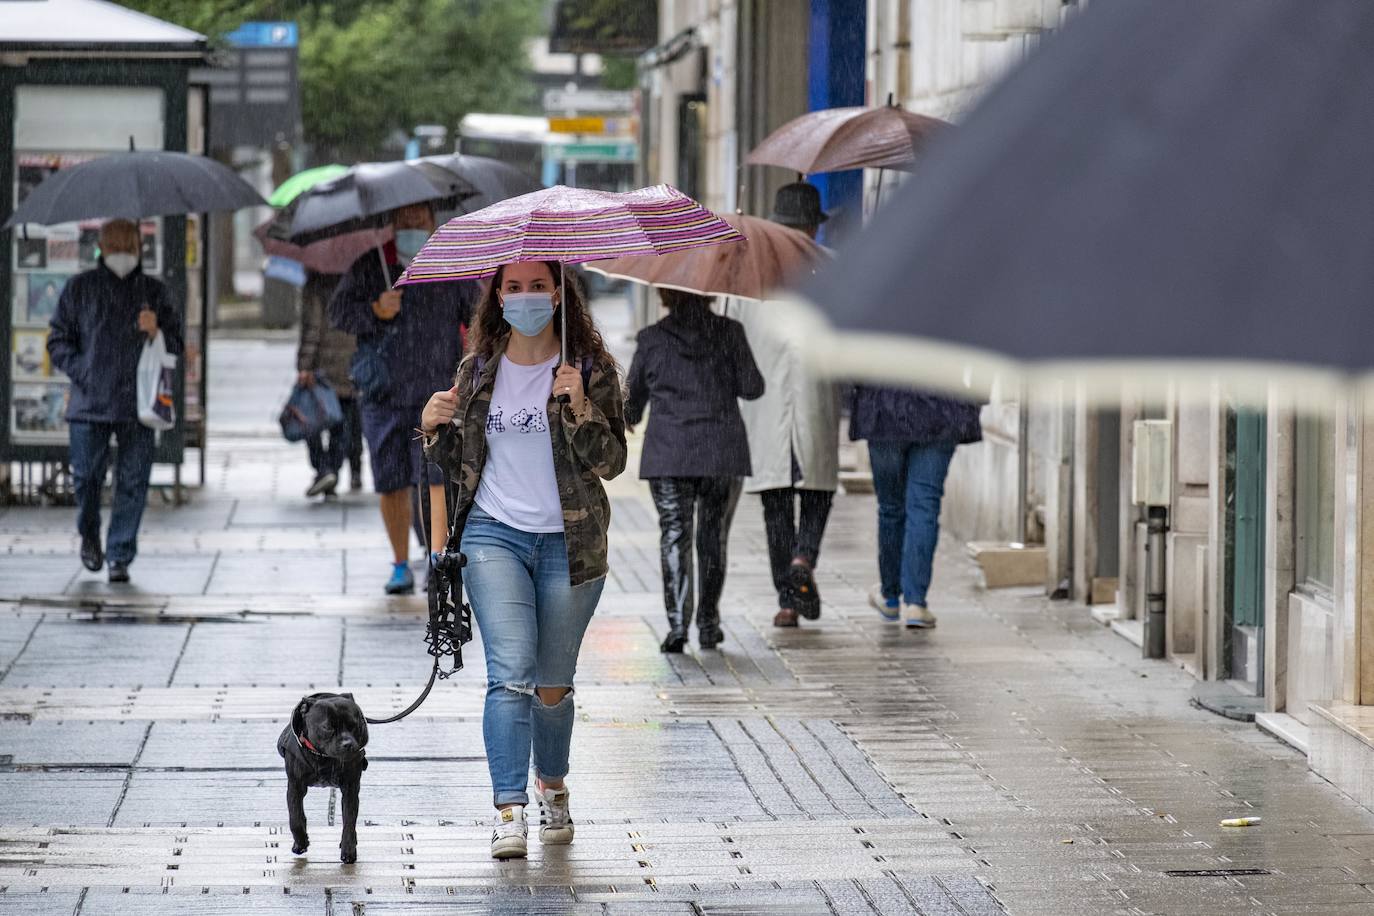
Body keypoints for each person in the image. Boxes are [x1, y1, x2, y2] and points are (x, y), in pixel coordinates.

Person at [420, 260, 625, 861]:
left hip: (572, 542)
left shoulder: (589, 370)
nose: (527, 297)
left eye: (539, 286)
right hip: (493, 535)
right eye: (515, 287)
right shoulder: (478, 370)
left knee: (552, 685)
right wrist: (433, 428)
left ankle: (552, 788)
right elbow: (457, 459)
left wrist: (581, 406)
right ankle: (508, 809)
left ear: (559, 295)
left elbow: (611, 462)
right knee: (509, 672)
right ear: (499, 297)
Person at [330, 203, 478, 594]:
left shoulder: (451, 264)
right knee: (391, 480)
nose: (413, 224)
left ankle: (436, 558)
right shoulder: (372, 265)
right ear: (391, 222)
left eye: (420, 216)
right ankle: (399, 564)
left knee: (435, 478)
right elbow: (339, 312)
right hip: (383, 394)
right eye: (404, 217)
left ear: (433, 219)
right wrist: (374, 310)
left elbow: (479, 318)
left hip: (437, 394)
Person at [625, 289, 764, 653]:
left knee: (674, 534)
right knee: (712, 536)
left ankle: (676, 624)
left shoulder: (652, 339)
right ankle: (708, 622)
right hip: (721, 451)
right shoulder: (729, 332)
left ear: (664, 293)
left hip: (670, 453)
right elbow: (753, 387)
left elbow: (632, 405)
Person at [46, 218, 184, 583]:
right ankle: (90, 535)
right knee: (86, 476)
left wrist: (157, 330)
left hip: (138, 403)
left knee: (133, 479)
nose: (123, 252)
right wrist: (85, 371)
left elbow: (178, 342)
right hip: (91, 402)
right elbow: (58, 340)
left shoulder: (152, 291)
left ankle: (120, 553)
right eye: (116, 244)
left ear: (139, 247)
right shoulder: (81, 289)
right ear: (103, 247)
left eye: (129, 244)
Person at [734, 181, 840, 628]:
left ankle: (787, 600)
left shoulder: (748, 275)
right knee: (817, 490)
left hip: (763, 404)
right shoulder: (834, 269)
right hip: (818, 397)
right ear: (814, 227)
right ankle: (804, 558)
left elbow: (731, 334)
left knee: (776, 501)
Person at [849, 386, 982, 628]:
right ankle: (916, 603)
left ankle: (890, 597)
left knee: (890, 508)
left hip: (884, 410)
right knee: (925, 507)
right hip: (941, 409)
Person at [297, 270, 362, 497]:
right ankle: (332, 470)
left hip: (322, 369)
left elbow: (313, 328)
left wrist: (305, 365)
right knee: (341, 425)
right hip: (349, 365)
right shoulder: (355, 279)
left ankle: (323, 468)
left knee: (310, 421)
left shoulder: (316, 285)